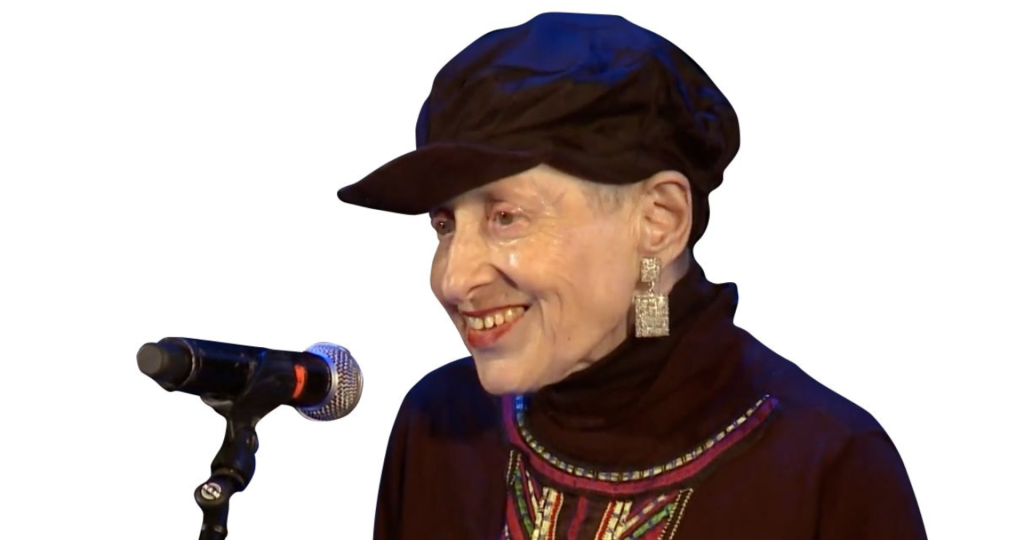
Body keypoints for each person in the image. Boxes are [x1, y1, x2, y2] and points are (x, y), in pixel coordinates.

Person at [337, 12, 927, 540]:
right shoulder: (441, 425)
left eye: (506, 217)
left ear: (658, 222)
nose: (452, 278)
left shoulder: (825, 468)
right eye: (444, 225)